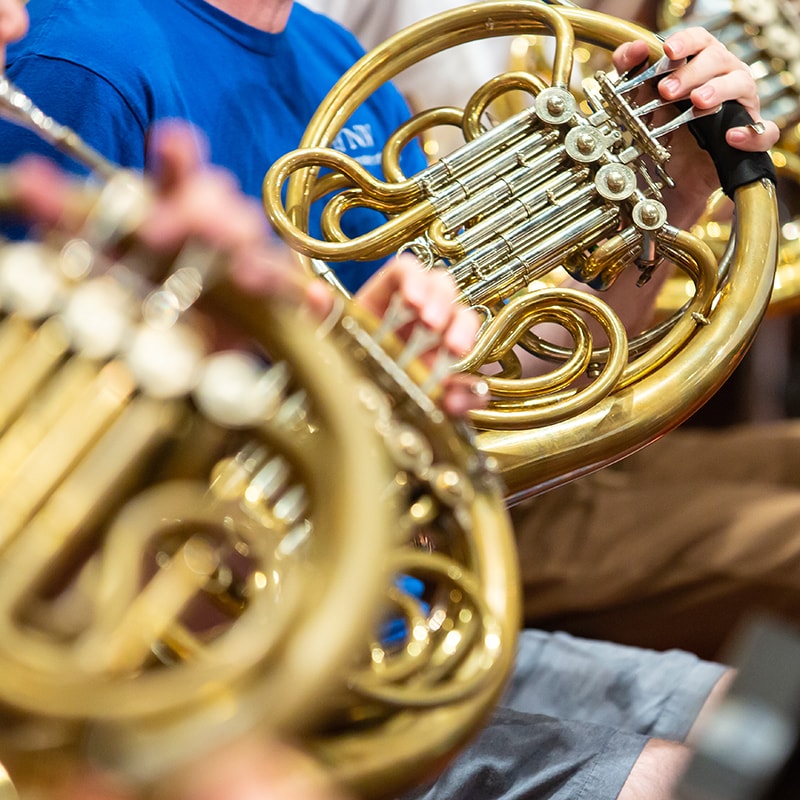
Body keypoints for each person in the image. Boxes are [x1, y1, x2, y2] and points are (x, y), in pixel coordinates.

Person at [0, 1, 785, 799]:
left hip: (400, 630)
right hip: (223, 677)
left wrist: (675, 191)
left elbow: (513, 389)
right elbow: (53, 515)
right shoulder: (85, 63)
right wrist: (344, 374)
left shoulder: (333, 53)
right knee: (704, 784)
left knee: (772, 721)